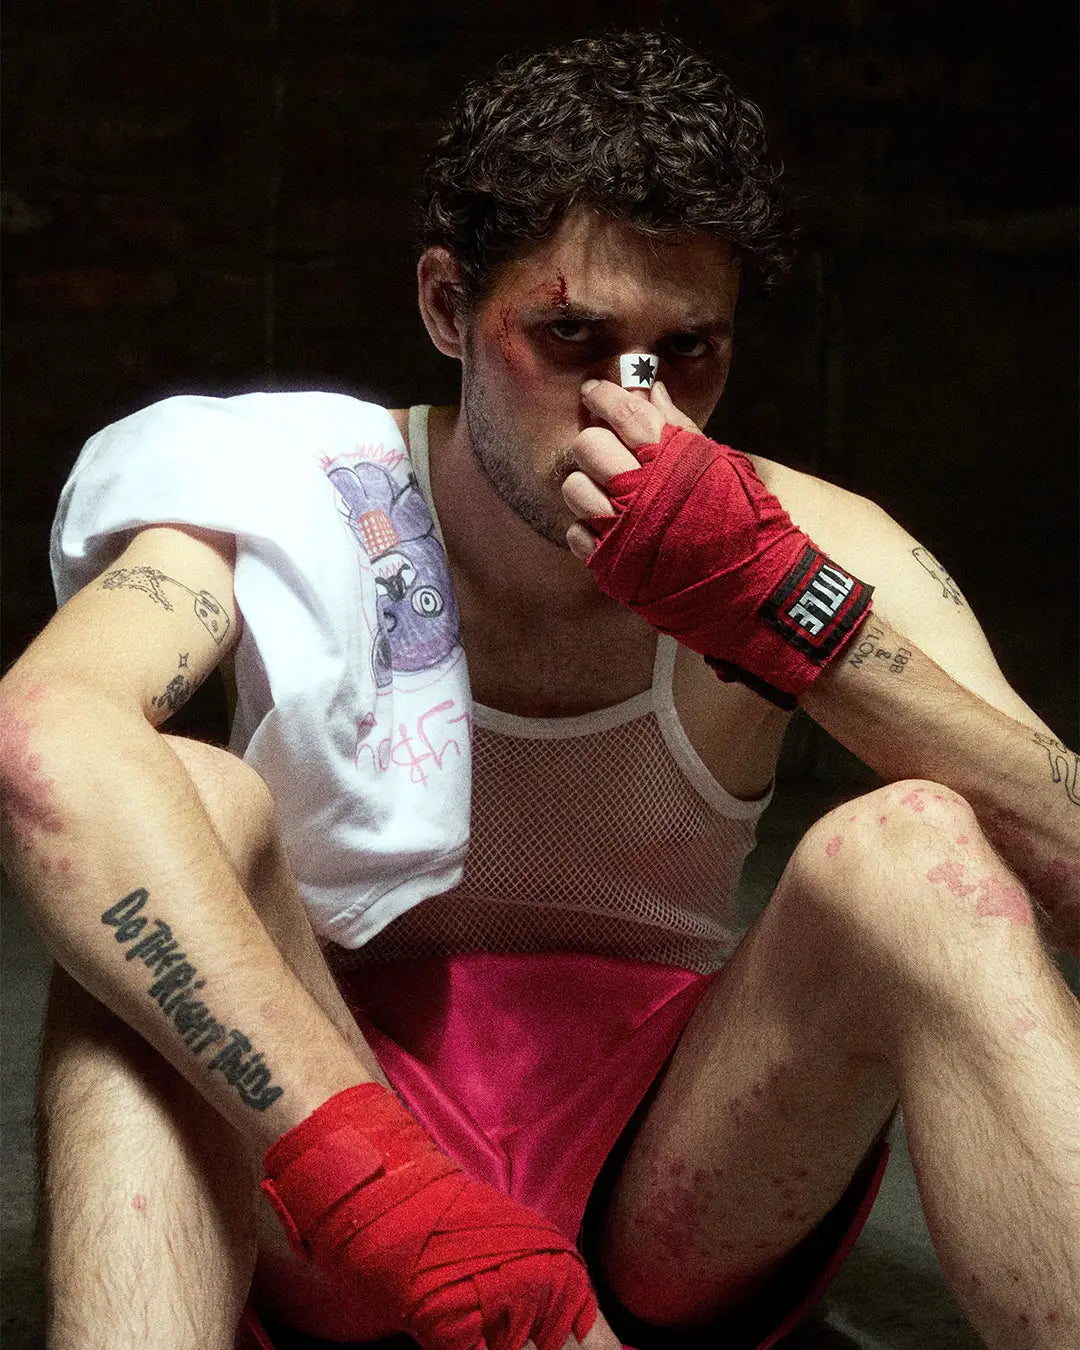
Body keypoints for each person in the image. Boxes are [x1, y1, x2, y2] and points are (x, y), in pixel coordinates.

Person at [1, 28, 1077, 1350]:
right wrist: (382, 1187)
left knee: (919, 852)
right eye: (571, 334)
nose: (638, 406)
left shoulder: (803, 542)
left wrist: (802, 620)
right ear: (448, 306)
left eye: (688, 349)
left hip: (670, 1188)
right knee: (169, 821)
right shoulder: (290, 495)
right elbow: (45, 737)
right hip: (329, 1163)